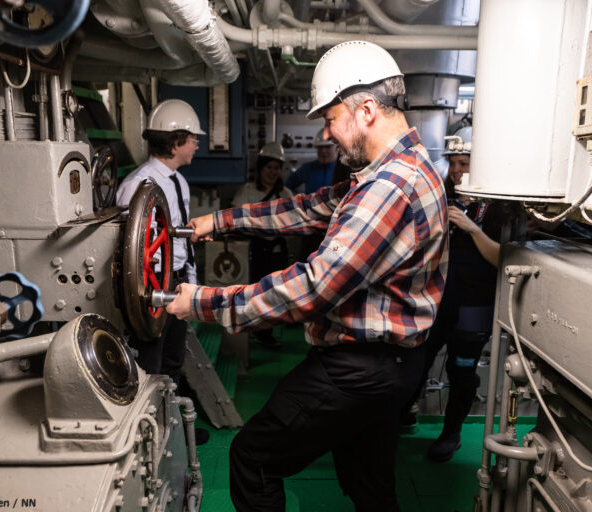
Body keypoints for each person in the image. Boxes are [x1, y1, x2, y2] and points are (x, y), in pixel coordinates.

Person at [167, 40, 448, 512]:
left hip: (360, 369)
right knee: (370, 485)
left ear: (365, 111)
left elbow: (314, 287)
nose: (327, 132)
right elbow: (305, 209)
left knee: (253, 459)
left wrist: (202, 303)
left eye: (330, 118)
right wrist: (219, 222)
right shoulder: (403, 168)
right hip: (393, 365)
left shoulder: (389, 186)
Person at [115, 99, 209, 445]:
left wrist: (192, 284)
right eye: (193, 138)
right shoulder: (137, 185)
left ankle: (170, 430)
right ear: (176, 140)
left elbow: (181, 240)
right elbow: (130, 252)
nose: (197, 144)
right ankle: (148, 437)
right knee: (150, 364)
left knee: (173, 358)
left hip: (177, 281)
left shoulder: (177, 182)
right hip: (151, 288)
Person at [417, 126, 504, 463]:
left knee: (462, 369)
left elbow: (500, 257)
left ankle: (451, 433)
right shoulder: (441, 197)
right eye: (453, 163)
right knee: (417, 360)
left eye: (464, 163)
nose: (456, 170)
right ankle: (400, 416)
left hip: (474, 303)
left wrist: (472, 228)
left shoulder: (498, 205)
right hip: (436, 300)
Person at [231, 142, 293, 348]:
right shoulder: (247, 192)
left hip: (277, 251)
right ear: (260, 169)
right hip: (254, 250)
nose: (273, 172)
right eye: (269, 167)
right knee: (254, 293)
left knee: (274, 293)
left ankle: (266, 332)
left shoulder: (286, 194)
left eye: (277, 168)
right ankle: (257, 331)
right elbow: (233, 218)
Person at [285, 129, 337, 194]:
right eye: (320, 147)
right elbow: (286, 187)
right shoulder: (307, 168)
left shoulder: (343, 170)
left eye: (327, 147)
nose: (323, 151)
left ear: (336, 148)